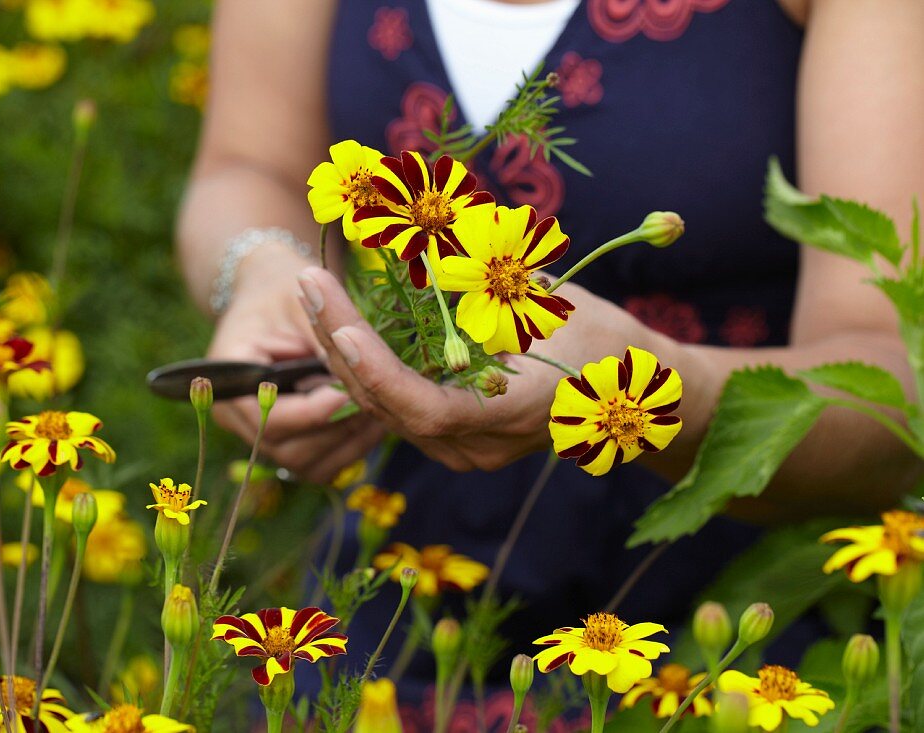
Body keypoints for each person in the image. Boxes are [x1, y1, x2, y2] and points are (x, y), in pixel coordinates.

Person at [178, 0, 923, 723]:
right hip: (402, 605)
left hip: (735, 639)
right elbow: (248, 166)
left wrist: (645, 391)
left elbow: (890, 382)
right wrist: (261, 269)